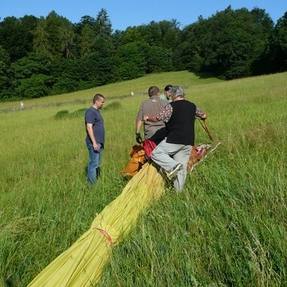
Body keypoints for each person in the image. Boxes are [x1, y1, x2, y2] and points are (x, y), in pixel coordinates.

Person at [144, 86, 206, 191]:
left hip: (175, 139)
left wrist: (148, 118)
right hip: (188, 142)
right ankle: (179, 193)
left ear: (173, 95)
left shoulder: (171, 106)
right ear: (183, 94)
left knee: (156, 154)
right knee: (181, 169)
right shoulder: (192, 106)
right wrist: (202, 117)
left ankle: (173, 166)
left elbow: (159, 118)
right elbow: (203, 115)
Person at [85, 93, 105, 184]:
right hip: (94, 143)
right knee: (93, 164)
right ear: (96, 101)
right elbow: (89, 127)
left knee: (96, 164)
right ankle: (91, 185)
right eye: (102, 102)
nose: (103, 104)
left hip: (98, 142)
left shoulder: (96, 111)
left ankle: (95, 181)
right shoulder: (90, 112)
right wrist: (94, 143)